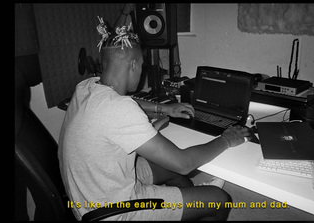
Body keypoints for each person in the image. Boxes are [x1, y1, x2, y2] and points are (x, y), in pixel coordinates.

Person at [58, 4, 253, 221]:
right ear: (133, 65)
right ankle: (200, 202)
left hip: (91, 190)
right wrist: (226, 139)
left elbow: (125, 102)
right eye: (141, 65)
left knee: (173, 172)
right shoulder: (118, 109)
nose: (141, 71)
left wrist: (164, 108)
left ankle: (186, 207)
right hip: (111, 211)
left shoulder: (86, 87)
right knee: (219, 199)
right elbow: (184, 163)